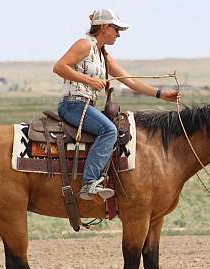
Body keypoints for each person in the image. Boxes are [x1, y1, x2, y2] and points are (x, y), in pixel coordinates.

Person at [53, 8, 179, 201]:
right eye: (116, 29)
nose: (118, 34)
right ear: (103, 27)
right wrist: (89, 80)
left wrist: (161, 94)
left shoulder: (103, 55)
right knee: (109, 131)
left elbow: (130, 80)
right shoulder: (84, 45)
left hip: (86, 106)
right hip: (73, 105)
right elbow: (59, 67)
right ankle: (90, 183)